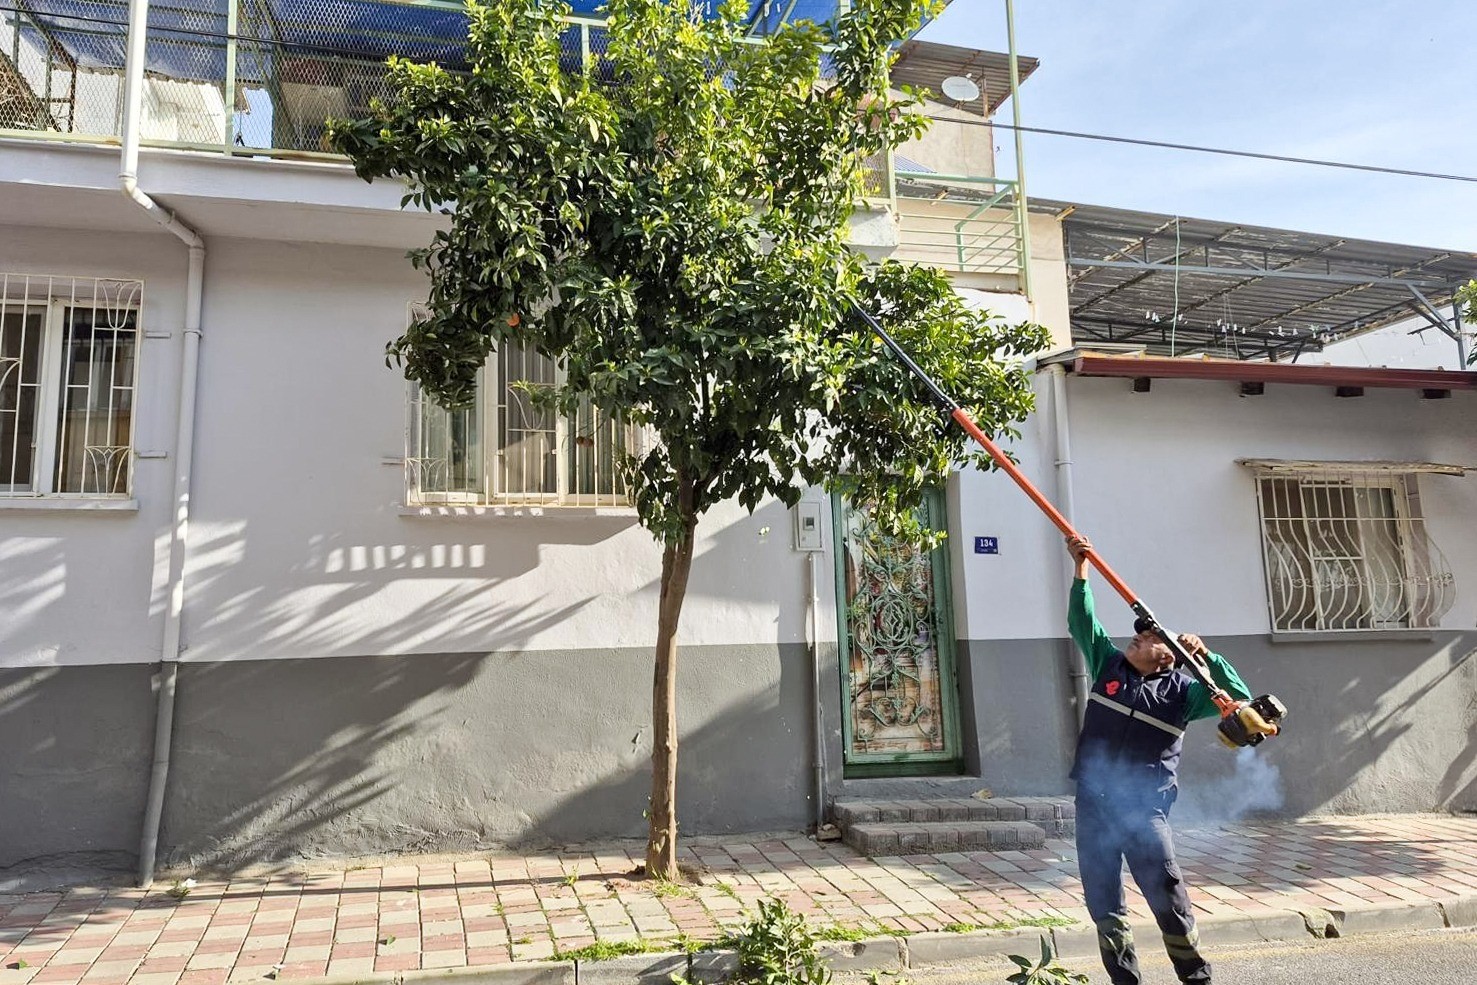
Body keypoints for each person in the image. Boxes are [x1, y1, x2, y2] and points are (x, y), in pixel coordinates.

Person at [1064, 535, 1253, 985]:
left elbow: (1239, 698)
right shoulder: (1108, 666)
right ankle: (1125, 980)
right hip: (1093, 804)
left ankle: (1196, 977)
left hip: (1144, 809)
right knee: (1103, 903)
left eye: (1149, 638)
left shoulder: (1186, 695)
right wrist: (1081, 568)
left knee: (1167, 897)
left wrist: (1207, 657)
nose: (1138, 637)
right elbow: (1082, 622)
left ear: (1168, 657)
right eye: (1140, 633)